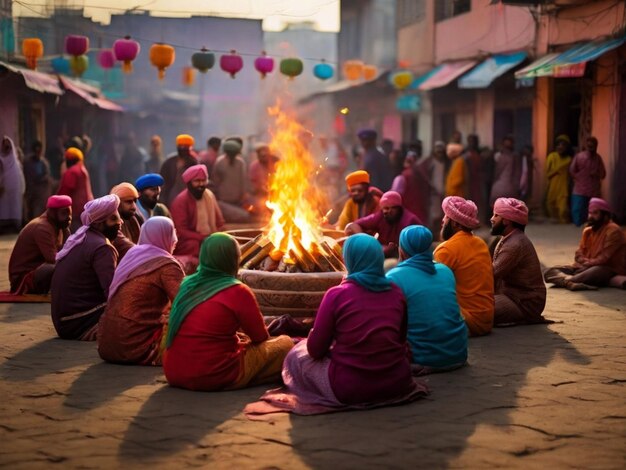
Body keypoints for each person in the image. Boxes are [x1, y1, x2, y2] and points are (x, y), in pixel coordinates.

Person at [245, 233, 428, 417]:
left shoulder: (337, 294)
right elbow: (401, 340)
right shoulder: (396, 292)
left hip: (349, 388)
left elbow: (315, 349)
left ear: (349, 259)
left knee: (296, 355)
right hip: (397, 383)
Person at [163, 233, 293, 391]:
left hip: (174, 372)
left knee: (242, 338)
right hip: (214, 375)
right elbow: (260, 337)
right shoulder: (238, 291)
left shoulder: (186, 284)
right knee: (285, 344)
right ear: (232, 259)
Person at [98, 217, 185, 366]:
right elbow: (185, 302)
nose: (175, 239)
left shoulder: (133, 256)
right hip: (137, 348)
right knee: (196, 333)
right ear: (164, 235)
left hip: (107, 346)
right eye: (172, 233)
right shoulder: (167, 265)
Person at [386, 226, 468, 375]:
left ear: (403, 249)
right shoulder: (445, 271)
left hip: (423, 358)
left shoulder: (394, 278)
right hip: (457, 354)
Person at [50, 195, 122, 341]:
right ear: (99, 224)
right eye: (113, 219)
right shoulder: (103, 247)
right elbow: (112, 291)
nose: (120, 223)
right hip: (80, 323)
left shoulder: (81, 237)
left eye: (118, 218)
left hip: (63, 322)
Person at [433, 196, 494, 336]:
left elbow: (436, 288)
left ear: (454, 223)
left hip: (467, 322)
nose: (442, 221)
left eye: (446, 217)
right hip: (487, 320)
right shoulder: (480, 243)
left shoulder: (446, 249)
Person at [544, 198, 626, 290]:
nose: (590, 216)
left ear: (605, 215)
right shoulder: (588, 231)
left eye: (595, 213)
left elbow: (604, 258)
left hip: (607, 268)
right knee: (549, 272)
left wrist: (586, 265)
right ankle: (571, 283)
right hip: (584, 267)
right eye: (590, 213)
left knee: (595, 271)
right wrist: (583, 264)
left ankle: (570, 281)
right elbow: (579, 253)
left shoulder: (613, 231)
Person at [490, 198, 547, 325]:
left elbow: (491, 273)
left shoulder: (515, 244)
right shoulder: (509, 238)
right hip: (510, 295)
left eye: (496, 215)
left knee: (477, 311)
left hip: (524, 301)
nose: (492, 219)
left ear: (506, 220)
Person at [8, 195, 72, 294]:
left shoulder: (58, 225)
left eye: (70, 213)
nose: (69, 217)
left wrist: (66, 232)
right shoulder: (42, 227)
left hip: (36, 271)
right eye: (64, 213)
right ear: (53, 213)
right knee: (55, 267)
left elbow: (66, 252)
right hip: (22, 279)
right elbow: (53, 259)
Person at [170, 164, 224, 269]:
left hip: (209, 237)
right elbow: (181, 231)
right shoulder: (181, 201)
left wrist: (220, 233)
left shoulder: (209, 196)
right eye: (197, 181)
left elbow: (220, 222)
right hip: (188, 241)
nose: (201, 184)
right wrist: (203, 237)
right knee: (196, 245)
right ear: (189, 183)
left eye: (203, 181)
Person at [345, 191, 421, 258]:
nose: (387, 212)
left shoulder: (410, 221)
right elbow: (352, 226)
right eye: (385, 209)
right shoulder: (380, 216)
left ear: (399, 208)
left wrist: (389, 249)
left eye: (392, 208)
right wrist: (366, 243)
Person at [570, 136, 606, 227]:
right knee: (578, 209)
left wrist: (596, 174)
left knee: (593, 209)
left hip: (593, 189)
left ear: (596, 146)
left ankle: (590, 225)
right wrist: (579, 177)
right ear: (586, 146)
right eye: (589, 146)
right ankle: (578, 225)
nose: (591, 148)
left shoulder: (598, 159)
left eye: (593, 146)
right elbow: (572, 170)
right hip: (580, 188)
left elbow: (603, 174)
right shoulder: (579, 156)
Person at [212, 139, 251, 223]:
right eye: (233, 153)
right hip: (224, 202)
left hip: (238, 202)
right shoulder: (220, 163)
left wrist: (244, 197)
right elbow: (215, 183)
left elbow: (243, 182)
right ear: (227, 152)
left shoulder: (240, 163)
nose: (234, 155)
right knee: (245, 216)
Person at [57, 147, 94, 233]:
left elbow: (64, 192)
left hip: (75, 211)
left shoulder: (72, 172)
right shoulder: (82, 169)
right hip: (85, 209)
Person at [391, 152, 429, 223]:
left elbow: (395, 196)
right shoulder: (423, 176)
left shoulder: (403, 177)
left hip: (407, 215)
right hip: (421, 214)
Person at [160, 134, 198, 206]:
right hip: (171, 197)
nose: (183, 149)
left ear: (190, 148)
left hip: (189, 197)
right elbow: (163, 181)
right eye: (181, 146)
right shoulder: (169, 162)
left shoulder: (194, 163)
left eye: (185, 147)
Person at [545, 135, 573, 224]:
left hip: (563, 187)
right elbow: (547, 173)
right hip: (553, 187)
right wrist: (556, 171)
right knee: (550, 205)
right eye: (558, 145)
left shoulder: (569, 159)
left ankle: (563, 225)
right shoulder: (552, 156)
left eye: (563, 145)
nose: (560, 147)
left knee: (563, 209)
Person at [0, 136, 25, 232]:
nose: (6, 147)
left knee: (14, 206)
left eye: (8, 145)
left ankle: (15, 226)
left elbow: (20, 177)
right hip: (3, 189)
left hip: (15, 190)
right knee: (3, 207)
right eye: (4, 145)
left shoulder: (16, 163)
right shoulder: (1, 160)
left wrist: (22, 188)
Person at [23, 140, 52, 221]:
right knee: (30, 211)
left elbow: (47, 175)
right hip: (30, 190)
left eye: (39, 151)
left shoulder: (44, 163)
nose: (38, 153)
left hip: (40, 192)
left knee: (37, 213)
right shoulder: (27, 162)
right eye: (36, 151)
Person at [248, 142, 277, 219]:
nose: (264, 157)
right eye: (262, 156)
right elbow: (253, 186)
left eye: (266, 155)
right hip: (260, 196)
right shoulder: (254, 167)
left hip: (275, 195)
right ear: (258, 156)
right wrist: (262, 189)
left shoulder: (275, 165)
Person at [490, 135, 521, 205]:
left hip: (499, 188)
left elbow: (497, 172)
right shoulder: (516, 157)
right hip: (512, 188)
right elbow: (518, 174)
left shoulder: (501, 157)